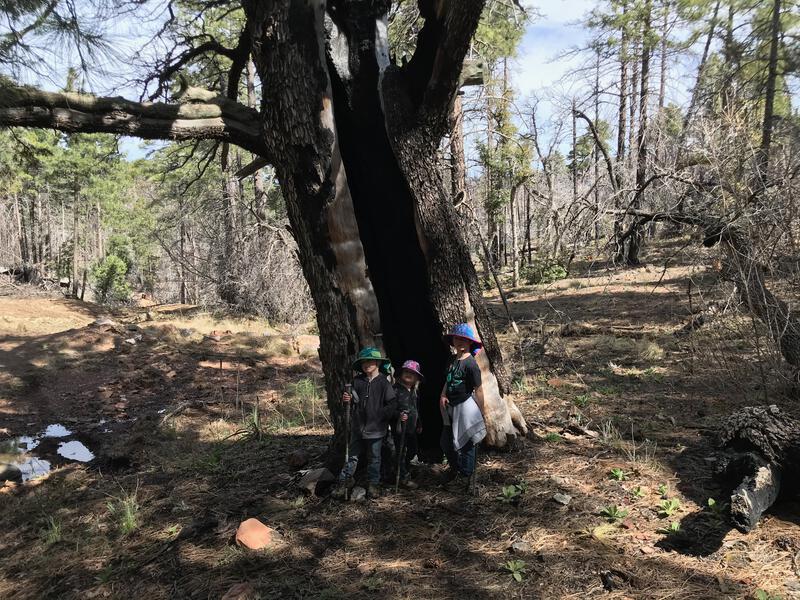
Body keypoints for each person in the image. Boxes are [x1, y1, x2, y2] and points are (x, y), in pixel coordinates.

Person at [332, 346, 397, 499]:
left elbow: (392, 403)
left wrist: (381, 415)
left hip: (376, 429)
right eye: (364, 362)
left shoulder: (383, 382)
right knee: (352, 456)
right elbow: (352, 400)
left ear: (378, 363)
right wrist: (347, 400)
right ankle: (344, 481)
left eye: (371, 361)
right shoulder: (357, 381)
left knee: (374, 458)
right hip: (358, 427)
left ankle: (373, 483)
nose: (367, 364)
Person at [439, 323, 487, 493]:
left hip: (465, 406)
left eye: (463, 340)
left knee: (467, 442)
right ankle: (456, 469)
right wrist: (443, 395)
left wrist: (481, 410)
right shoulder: (452, 360)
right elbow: (449, 380)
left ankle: (466, 476)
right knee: (446, 442)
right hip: (450, 406)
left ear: (469, 343)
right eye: (457, 338)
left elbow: (478, 389)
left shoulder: (471, 365)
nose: (460, 342)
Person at [391, 360, 424, 489]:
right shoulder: (395, 390)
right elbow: (389, 409)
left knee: (412, 450)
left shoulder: (414, 391)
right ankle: (402, 477)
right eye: (406, 372)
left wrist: (419, 423)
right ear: (401, 374)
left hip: (411, 428)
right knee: (401, 451)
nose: (409, 374)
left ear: (417, 377)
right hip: (399, 428)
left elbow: (416, 408)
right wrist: (398, 415)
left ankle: (405, 468)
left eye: (412, 373)